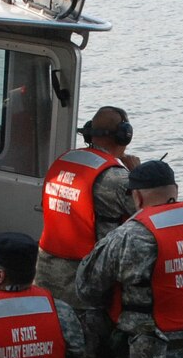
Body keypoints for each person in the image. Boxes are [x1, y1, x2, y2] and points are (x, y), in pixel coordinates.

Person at [76, 160, 183, 358]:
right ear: (176, 191)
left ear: (138, 197)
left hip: (146, 354)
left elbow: (86, 289)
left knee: (91, 315)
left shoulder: (129, 236)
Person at [34, 106, 140, 310]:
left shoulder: (64, 161)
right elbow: (153, 209)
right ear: (124, 136)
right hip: (85, 286)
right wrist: (138, 173)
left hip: (46, 276)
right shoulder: (118, 179)